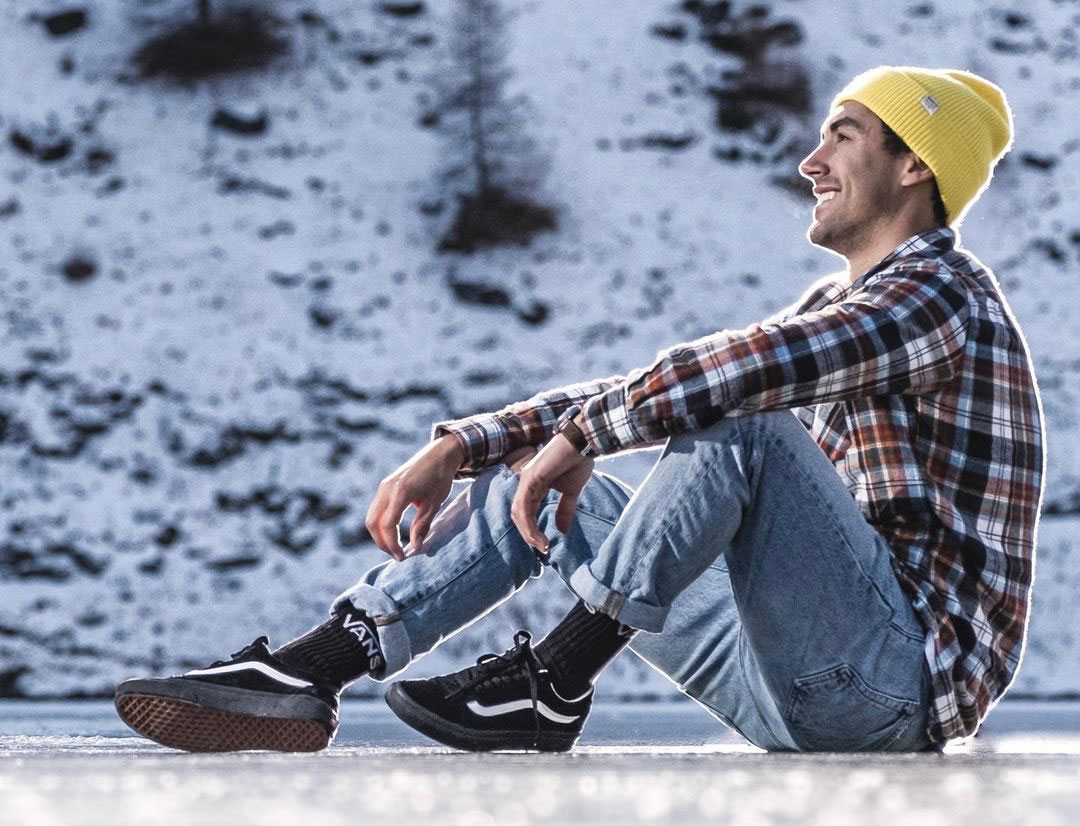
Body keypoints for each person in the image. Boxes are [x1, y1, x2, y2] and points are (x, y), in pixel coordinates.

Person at [115, 65, 1045, 755]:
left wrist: (587, 436)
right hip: (787, 675)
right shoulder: (846, 312)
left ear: (917, 164)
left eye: (842, 135)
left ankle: (555, 679)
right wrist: (475, 445)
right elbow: (691, 378)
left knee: (742, 415)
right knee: (547, 482)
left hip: (893, 686)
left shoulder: (941, 298)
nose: (810, 161)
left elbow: (733, 379)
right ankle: (312, 668)